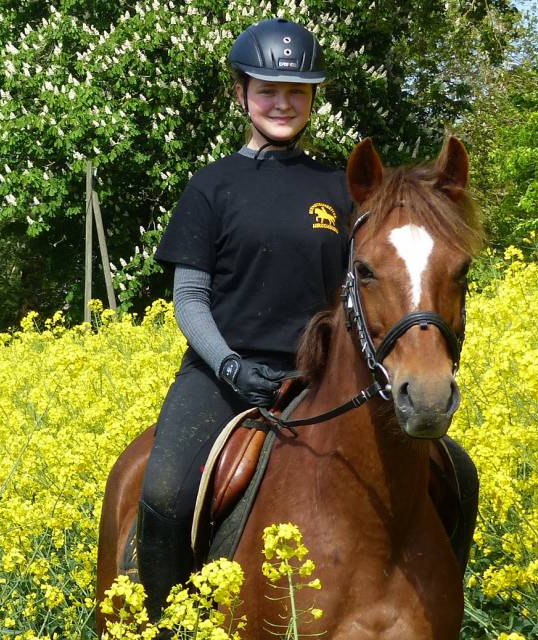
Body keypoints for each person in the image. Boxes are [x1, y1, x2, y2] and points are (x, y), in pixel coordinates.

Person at [136, 17, 354, 619]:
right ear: (241, 95)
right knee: (163, 492)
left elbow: (358, 291)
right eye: (267, 89)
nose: (282, 103)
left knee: (451, 472)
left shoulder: (338, 188)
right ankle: (168, 623)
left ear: (312, 99)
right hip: (221, 377)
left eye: (297, 91)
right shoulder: (211, 187)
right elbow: (189, 300)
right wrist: (231, 366)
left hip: (321, 381)